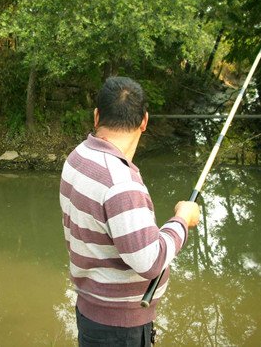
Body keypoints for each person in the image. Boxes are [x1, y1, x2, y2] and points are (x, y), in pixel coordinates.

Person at [59, 76, 200, 346]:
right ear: (144, 121)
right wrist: (182, 219)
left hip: (90, 312)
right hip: (118, 328)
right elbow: (149, 262)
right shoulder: (121, 183)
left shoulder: (77, 157)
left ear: (96, 115)